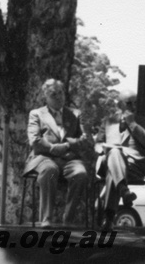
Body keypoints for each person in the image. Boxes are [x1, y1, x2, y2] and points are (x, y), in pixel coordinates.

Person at [24, 78, 91, 227]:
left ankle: (69, 219)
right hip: (45, 158)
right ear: (45, 97)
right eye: (54, 94)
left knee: (80, 174)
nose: (59, 97)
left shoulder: (75, 114)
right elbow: (34, 141)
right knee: (50, 170)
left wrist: (66, 146)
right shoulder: (37, 114)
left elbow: (85, 140)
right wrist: (54, 149)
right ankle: (46, 219)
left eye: (61, 93)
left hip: (69, 158)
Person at [97, 90, 145, 230]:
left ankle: (109, 218)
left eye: (136, 103)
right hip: (113, 160)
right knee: (115, 152)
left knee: (113, 170)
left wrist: (132, 124)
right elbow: (98, 143)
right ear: (120, 105)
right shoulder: (110, 120)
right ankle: (124, 190)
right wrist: (101, 149)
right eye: (129, 103)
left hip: (136, 166)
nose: (133, 107)